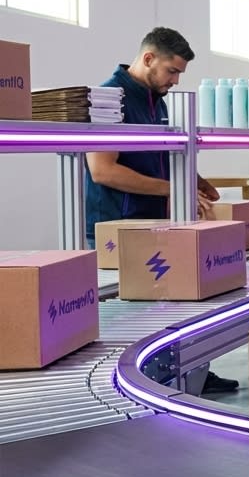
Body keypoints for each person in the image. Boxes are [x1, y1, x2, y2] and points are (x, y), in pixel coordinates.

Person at [84, 27, 237, 393]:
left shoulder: (160, 100)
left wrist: (196, 181)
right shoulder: (110, 99)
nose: (176, 80)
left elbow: (168, 154)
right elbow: (103, 170)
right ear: (148, 58)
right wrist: (176, 188)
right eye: (172, 71)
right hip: (119, 227)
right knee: (134, 316)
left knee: (179, 303)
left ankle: (193, 370)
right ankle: (138, 384)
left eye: (180, 73)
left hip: (157, 223)